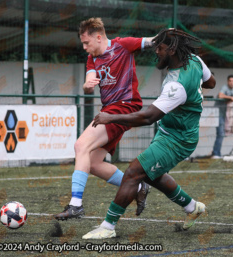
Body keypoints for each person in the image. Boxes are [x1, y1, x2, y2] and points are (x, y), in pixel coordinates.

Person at [82, 29, 216, 239]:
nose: (156, 52)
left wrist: (110, 117)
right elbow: (211, 82)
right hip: (169, 131)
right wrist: (194, 92)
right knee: (151, 175)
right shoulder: (195, 60)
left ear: (172, 49)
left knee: (134, 172)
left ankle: (108, 227)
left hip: (178, 140)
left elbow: (147, 117)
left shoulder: (176, 86)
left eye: (160, 48)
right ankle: (192, 207)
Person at [54, 18, 157, 220]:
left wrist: (166, 36)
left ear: (99, 37)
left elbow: (150, 42)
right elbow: (87, 82)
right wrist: (87, 86)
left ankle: (76, 205)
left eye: (86, 43)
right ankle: (137, 187)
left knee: (80, 146)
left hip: (124, 108)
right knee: (92, 163)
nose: (84, 48)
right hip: (109, 112)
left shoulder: (122, 45)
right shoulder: (93, 58)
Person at [211, 75, 233, 159]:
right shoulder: (224, 87)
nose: (232, 82)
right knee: (220, 134)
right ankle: (216, 153)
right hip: (218, 114)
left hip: (225, 116)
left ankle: (216, 153)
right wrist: (230, 97)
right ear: (227, 81)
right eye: (230, 81)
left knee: (222, 134)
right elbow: (220, 95)